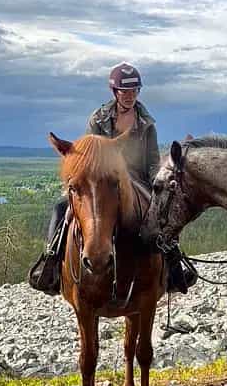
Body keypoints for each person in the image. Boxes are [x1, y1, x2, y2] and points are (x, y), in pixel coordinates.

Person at [44, 63, 195, 293]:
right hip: (103, 181)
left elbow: (152, 161)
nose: (129, 96)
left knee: (164, 215)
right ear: (115, 92)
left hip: (138, 179)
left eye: (134, 91)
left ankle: (174, 268)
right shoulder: (99, 119)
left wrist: (156, 185)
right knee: (61, 209)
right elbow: (88, 155)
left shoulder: (147, 124)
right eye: (125, 91)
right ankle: (51, 266)